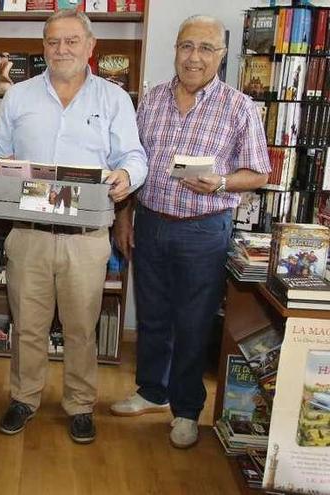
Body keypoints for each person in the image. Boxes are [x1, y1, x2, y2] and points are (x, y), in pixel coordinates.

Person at [0, 9, 147, 443]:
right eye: (53, 41)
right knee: (29, 327)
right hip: (29, 236)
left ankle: (79, 405)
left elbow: (134, 156)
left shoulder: (114, 100)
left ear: (91, 47)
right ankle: (24, 398)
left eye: (72, 41)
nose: (62, 49)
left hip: (86, 239)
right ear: (43, 48)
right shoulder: (17, 97)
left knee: (80, 329)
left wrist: (126, 177)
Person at [110, 15, 270, 449]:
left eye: (205, 48)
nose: (193, 57)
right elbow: (132, 161)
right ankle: (150, 391)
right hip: (152, 222)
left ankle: (185, 409)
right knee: (154, 316)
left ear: (221, 56)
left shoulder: (239, 107)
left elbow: (258, 172)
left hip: (204, 230)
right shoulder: (152, 99)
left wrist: (219, 181)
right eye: (186, 46)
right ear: (175, 50)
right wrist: (124, 217)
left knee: (194, 321)